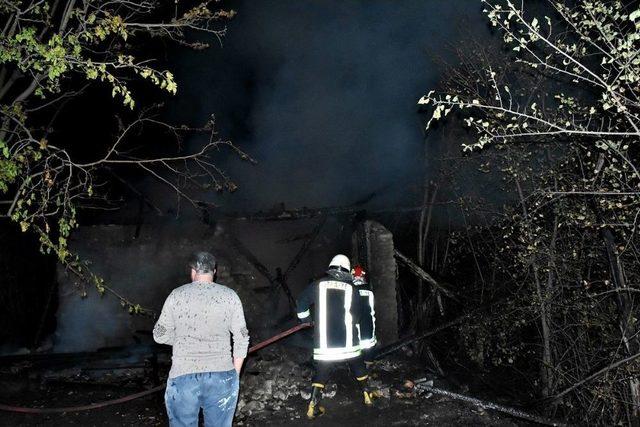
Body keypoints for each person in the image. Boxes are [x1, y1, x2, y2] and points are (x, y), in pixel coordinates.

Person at [153, 251, 249, 427]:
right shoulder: (230, 296)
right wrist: (234, 374)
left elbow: (159, 335)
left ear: (192, 270)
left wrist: (183, 340)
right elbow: (242, 338)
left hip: (183, 377)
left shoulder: (176, 295)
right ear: (215, 271)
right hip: (222, 376)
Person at [296, 254, 374, 419]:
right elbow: (359, 314)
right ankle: (367, 395)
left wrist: (306, 320)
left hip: (326, 344)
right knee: (358, 365)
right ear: (347, 271)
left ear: (330, 268)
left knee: (322, 370)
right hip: (348, 342)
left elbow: (301, 302)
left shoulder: (317, 285)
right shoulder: (352, 289)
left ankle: (313, 406)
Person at [352, 265, 377, 365]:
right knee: (369, 347)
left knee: (357, 352)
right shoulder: (369, 292)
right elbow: (372, 309)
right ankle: (368, 366)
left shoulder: (351, 292)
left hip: (356, 326)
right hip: (368, 325)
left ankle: (360, 370)